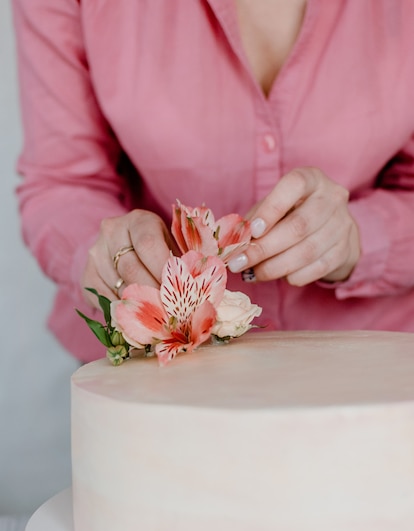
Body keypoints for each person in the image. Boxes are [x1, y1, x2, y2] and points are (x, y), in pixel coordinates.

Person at [12, 0, 414, 363]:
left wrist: (359, 239)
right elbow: (62, 181)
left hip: (374, 375)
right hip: (159, 386)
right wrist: (106, 259)